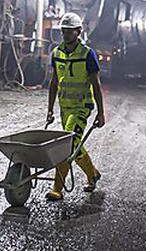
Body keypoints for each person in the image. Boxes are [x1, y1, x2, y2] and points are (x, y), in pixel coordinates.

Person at [45, 12, 106, 201]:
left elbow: (96, 85)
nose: (65, 34)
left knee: (66, 144)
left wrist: (101, 112)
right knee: (73, 145)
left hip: (81, 107)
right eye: (63, 31)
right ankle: (92, 173)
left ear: (78, 31)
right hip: (65, 107)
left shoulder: (88, 54)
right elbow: (54, 82)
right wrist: (50, 109)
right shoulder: (57, 53)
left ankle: (57, 188)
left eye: (69, 31)